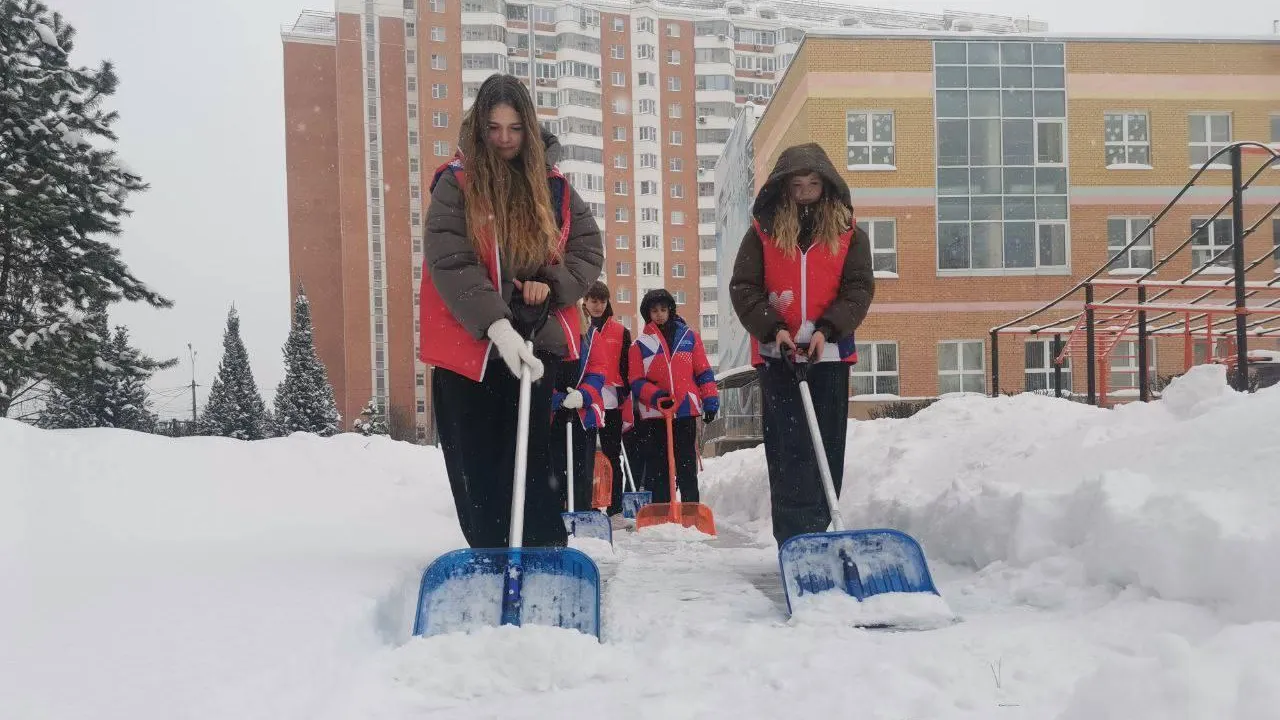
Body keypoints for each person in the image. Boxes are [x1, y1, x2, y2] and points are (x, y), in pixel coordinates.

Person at [418, 74, 604, 549]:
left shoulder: (555, 189)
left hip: (534, 346)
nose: (504, 139)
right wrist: (495, 321)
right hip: (470, 350)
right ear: (480, 128)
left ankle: (540, 551)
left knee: (528, 459)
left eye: (515, 128)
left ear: (530, 128)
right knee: (477, 465)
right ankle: (490, 554)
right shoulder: (456, 183)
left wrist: (550, 285)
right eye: (495, 127)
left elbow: (586, 248)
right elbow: (449, 257)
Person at [729, 142, 875, 547]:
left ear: (827, 185)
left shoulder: (849, 235)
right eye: (798, 184)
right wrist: (773, 329)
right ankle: (794, 539)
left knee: (826, 448)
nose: (807, 191)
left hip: (829, 355)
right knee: (789, 448)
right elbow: (745, 288)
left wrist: (829, 329)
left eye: (814, 183)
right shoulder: (762, 233)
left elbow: (858, 289)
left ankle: (821, 532)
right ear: (784, 187)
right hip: (779, 356)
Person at [628, 289, 719, 505]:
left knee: (686, 462)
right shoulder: (639, 345)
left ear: (670, 310)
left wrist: (710, 400)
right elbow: (636, 381)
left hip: (685, 409)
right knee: (658, 465)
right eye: (654, 311)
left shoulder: (690, 338)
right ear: (647, 314)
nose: (659, 314)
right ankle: (661, 508)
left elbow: (703, 371)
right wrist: (657, 396)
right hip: (655, 413)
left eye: (663, 309)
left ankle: (690, 507)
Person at [550, 281, 631, 513]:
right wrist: (556, 398)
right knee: (555, 466)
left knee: (582, 467)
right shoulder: (548, 334)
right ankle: (556, 514)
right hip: (554, 412)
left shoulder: (590, 335)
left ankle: (582, 511)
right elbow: (542, 372)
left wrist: (583, 396)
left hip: (583, 412)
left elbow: (598, 369)